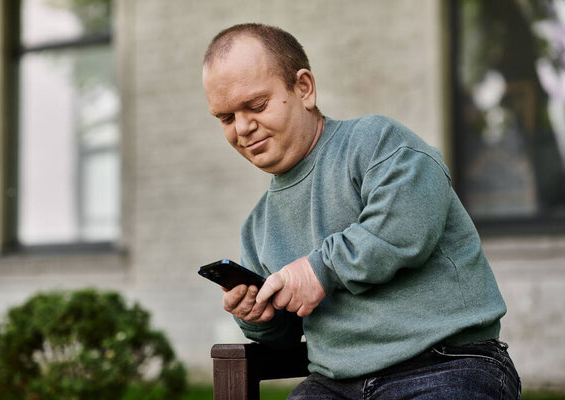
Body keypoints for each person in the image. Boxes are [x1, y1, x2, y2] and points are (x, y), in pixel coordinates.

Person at [202, 23, 521, 399]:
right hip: (334, 385)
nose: (243, 128)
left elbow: (404, 229)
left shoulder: (377, 142)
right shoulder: (257, 227)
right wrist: (257, 317)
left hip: (446, 364)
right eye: (225, 118)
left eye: (256, 106)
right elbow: (286, 339)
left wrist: (320, 268)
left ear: (303, 88)